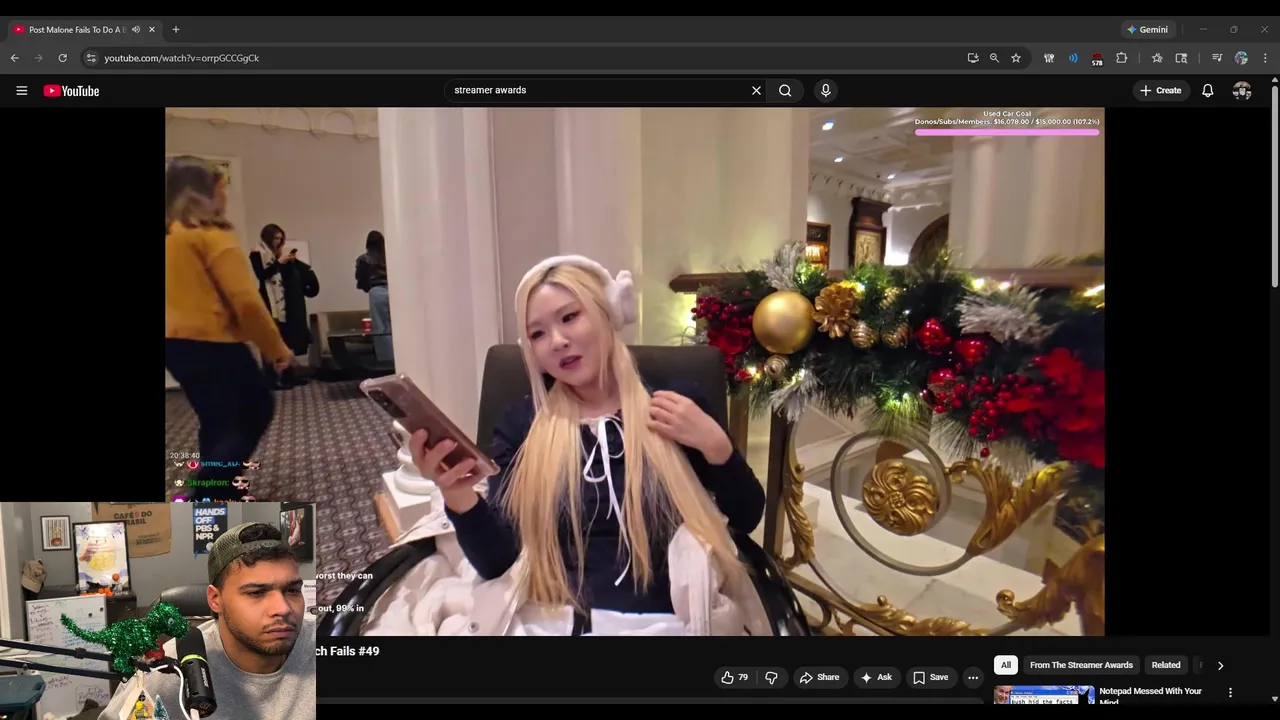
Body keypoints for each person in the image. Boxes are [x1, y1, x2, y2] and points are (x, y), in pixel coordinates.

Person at [408, 255, 767, 635]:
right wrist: (458, 495)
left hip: (668, 623)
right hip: (550, 623)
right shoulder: (522, 426)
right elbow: (498, 562)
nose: (557, 342)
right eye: (537, 334)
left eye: (569, 317)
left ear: (607, 313)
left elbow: (745, 519)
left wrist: (716, 445)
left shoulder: (673, 405)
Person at [98, 523, 316, 720]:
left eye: (292, 590)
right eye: (256, 593)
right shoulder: (167, 674)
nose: (283, 609)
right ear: (215, 600)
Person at [165, 157, 290, 500]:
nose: (225, 197)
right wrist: (276, 349)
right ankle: (204, 497)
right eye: (222, 189)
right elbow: (246, 302)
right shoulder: (211, 235)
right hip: (213, 341)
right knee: (255, 410)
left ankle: (222, 496)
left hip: (173, 346)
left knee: (216, 419)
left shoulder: (171, 236)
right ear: (203, 193)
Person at [251, 224, 320, 389]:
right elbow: (262, 275)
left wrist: (289, 261)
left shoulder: (278, 254)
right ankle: (270, 378)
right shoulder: (256, 253)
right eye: (276, 238)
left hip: (283, 303)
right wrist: (278, 263)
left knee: (286, 338)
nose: (278, 242)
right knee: (271, 339)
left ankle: (289, 375)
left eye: (281, 239)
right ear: (268, 237)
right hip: (269, 302)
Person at [355, 230, 393, 363]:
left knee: (380, 327)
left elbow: (362, 281)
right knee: (396, 325)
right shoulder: (390, 256)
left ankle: (386, 359)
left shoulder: (364, 259)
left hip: (377, 292)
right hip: (394, 291)